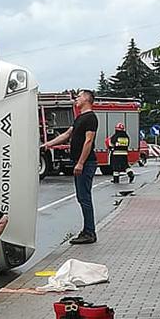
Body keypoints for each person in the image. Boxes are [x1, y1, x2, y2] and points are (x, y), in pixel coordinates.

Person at [41, 89, 98, 244]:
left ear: (87, 99)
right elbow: (66, 135)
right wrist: (47, 145)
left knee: (84, 197)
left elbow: (88, 141)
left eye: (78, 97)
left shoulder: (91, 118)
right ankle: (87, 230)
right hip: (80, 163)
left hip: (86, 164)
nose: (76, 99)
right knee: (82, 197)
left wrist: (80, 162)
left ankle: (89, 232)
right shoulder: (80, 118)